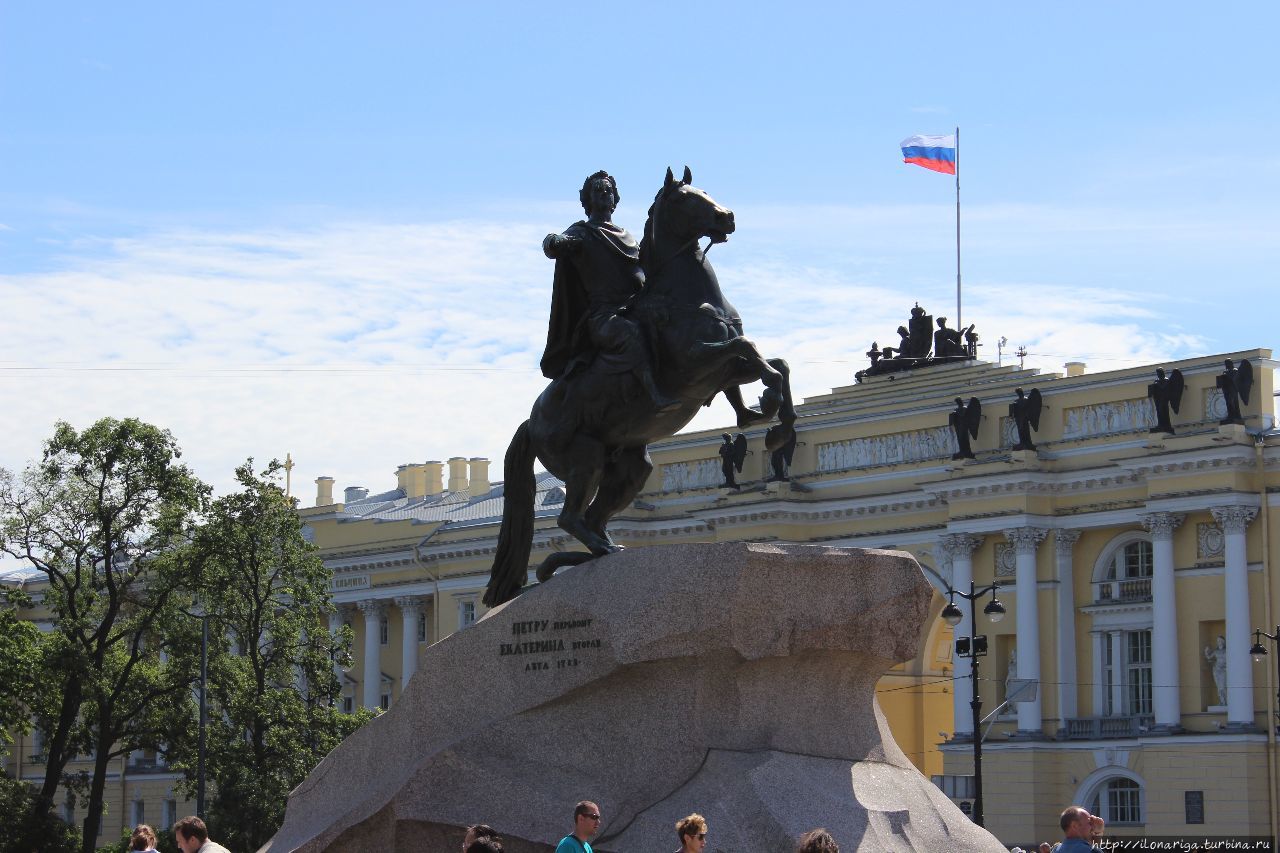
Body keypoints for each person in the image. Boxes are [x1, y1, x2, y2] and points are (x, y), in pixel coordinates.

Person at [540, 171, 679, 413]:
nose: (605, 193)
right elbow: (551, 244)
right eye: (598, 190)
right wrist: (555, 241)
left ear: (615, 199)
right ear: (588, 200)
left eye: (609, 190)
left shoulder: (628, 237)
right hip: (604, 316)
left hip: (634, 307)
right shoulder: (582, 232)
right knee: (631, 334)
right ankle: (654, 395)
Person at [1205, 635, 1228, 705]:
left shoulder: (1227, 650)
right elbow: (1209, 657)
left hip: (1224, 669)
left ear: (1223, 642)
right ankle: (1222, 701)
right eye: (1218, 641)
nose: (1219, 642)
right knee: (1218, 687)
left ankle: (1226, 701)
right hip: (1216, 670)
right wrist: (1206, 651)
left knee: (1223, 686)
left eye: (1220, 640)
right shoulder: (1216, 651)